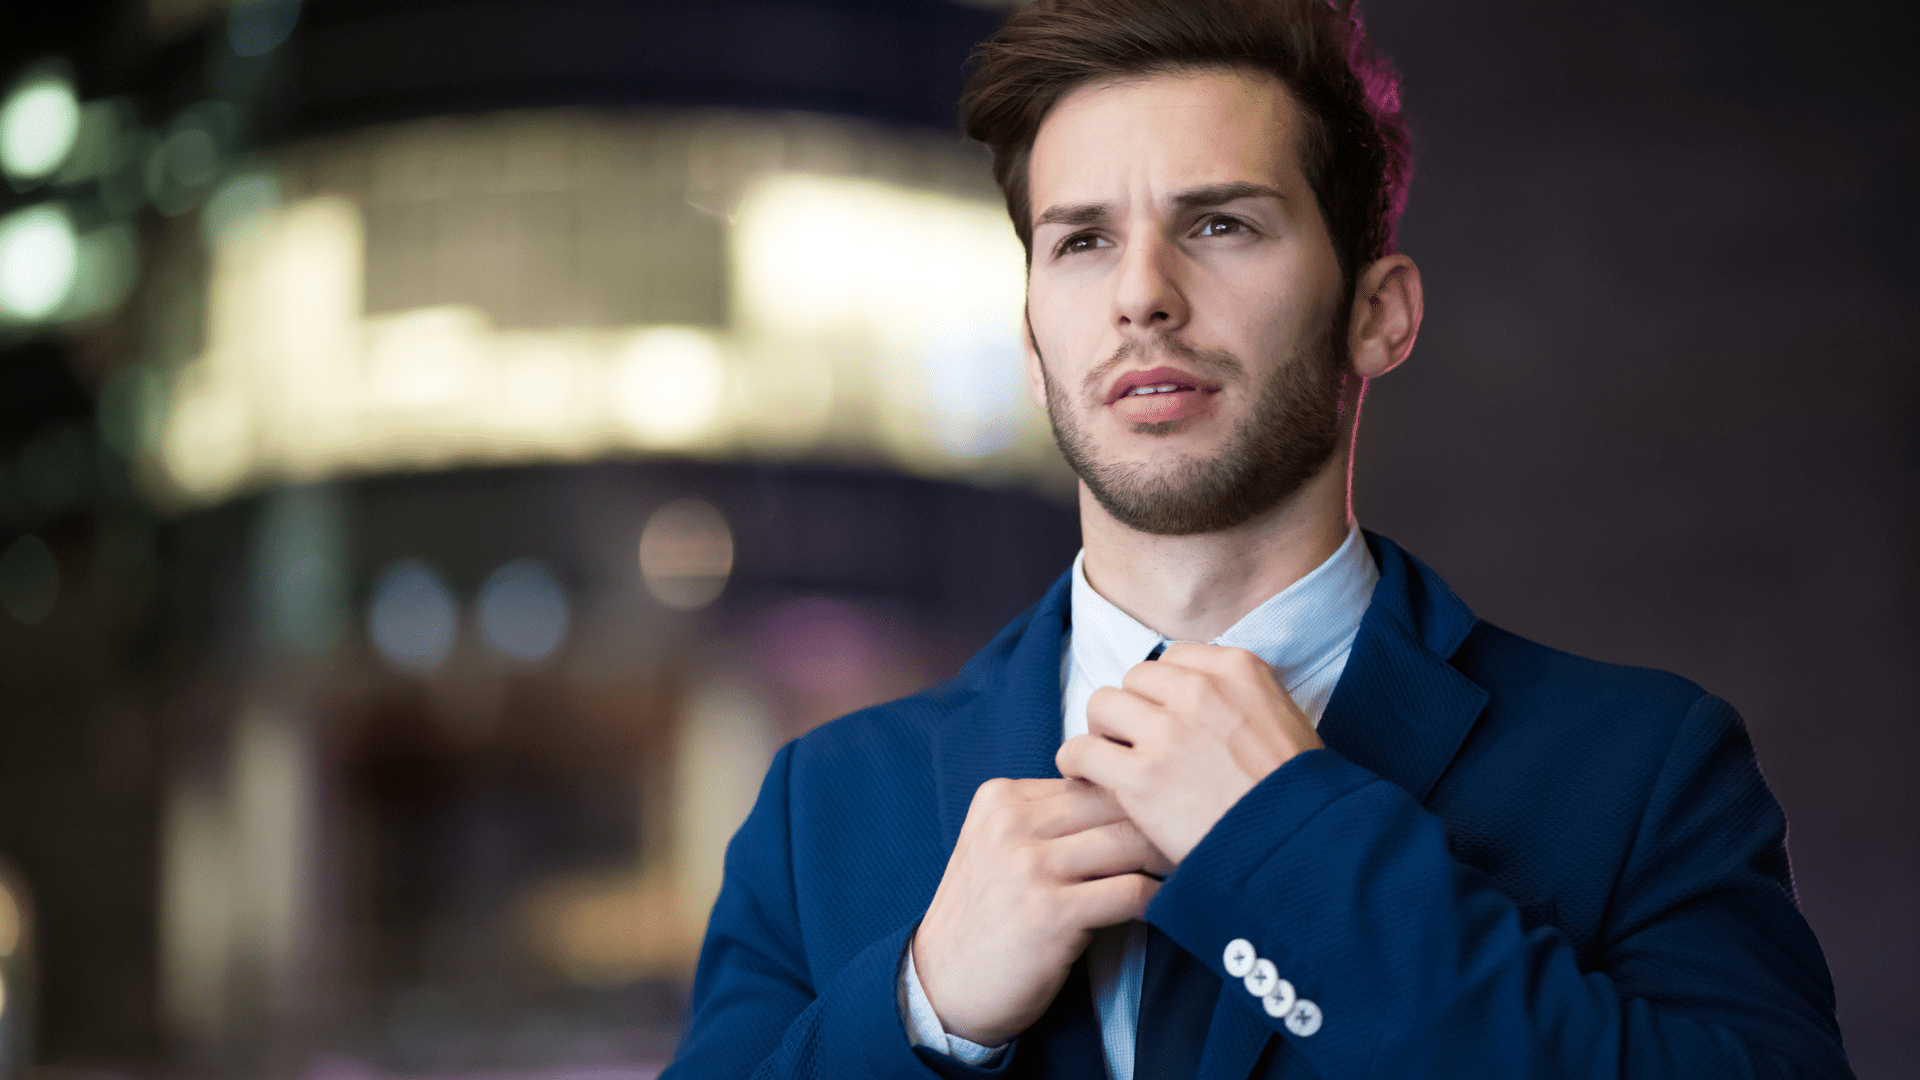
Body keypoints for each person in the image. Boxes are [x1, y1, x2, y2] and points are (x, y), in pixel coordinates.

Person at [662, 0, 1852, 1076]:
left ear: (1377, 315)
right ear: (1032, 349)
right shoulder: (819, 808)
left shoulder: (1646, 773)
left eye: (1221, 224)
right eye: (1081, 240)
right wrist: (920, 1009)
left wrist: (1294, 848)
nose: (1142, 294)